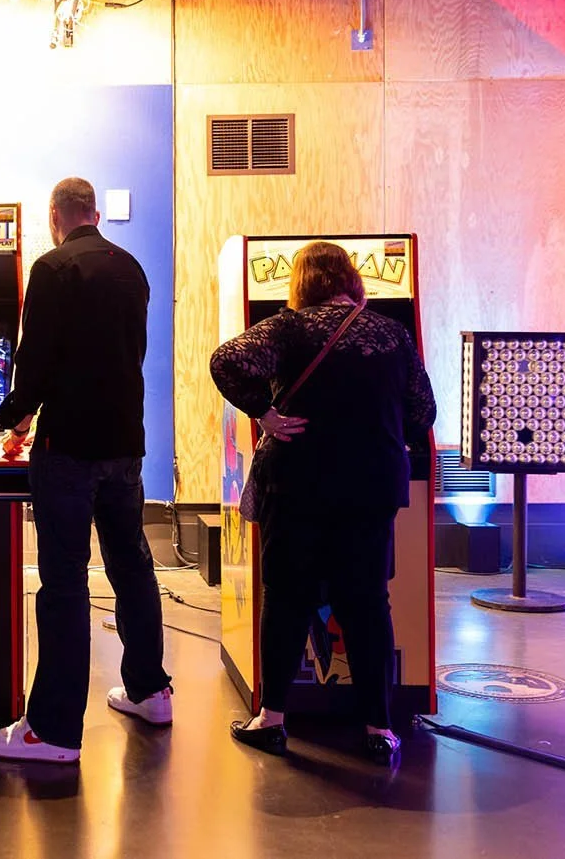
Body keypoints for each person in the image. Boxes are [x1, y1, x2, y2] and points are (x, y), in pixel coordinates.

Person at [208, 241, 436, 766]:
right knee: (367, 601)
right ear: (352, 281)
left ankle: (272, 721)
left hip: (299, 483)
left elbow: (226, 361)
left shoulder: (290, 328)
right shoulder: (391, 333)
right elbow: (423, 411)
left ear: (302, 285)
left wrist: (265, 414)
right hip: (371, 485)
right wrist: (379, 429)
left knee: (288, 596)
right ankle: (379, 729)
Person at [0, 177, 173, 765]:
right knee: (132, 567)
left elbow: (35, 361)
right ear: (94, 213)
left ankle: (54, 731)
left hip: (68, 447)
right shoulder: (131, 268)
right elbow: (125, 357)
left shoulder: (53, 268)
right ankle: (150, 691)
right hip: (125, 444)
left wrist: (12, 421)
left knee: (64, 582)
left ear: (54, 215)